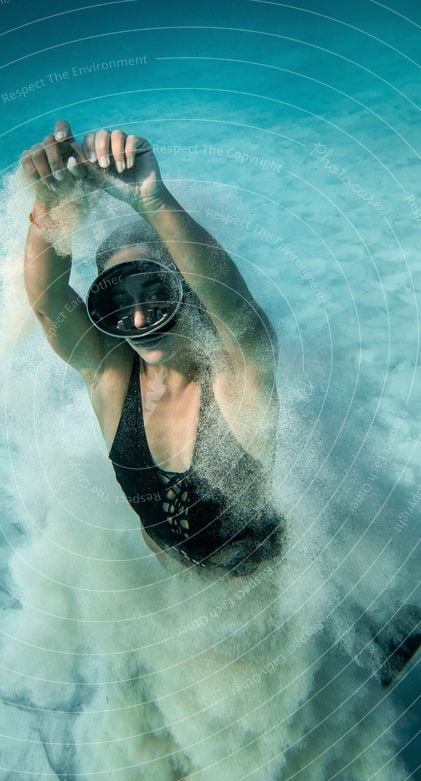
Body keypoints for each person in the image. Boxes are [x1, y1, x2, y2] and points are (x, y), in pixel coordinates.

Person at [21, 119, 286, 576]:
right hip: (191, 606)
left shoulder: (235, 374)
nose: (140, 320)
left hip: (293, 600)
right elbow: (48, 306)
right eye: (118, 302)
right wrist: (52, 206)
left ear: (190, 289)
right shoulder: (110, 376)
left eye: (157, 292)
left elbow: (238, 315)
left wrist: (152, 198)